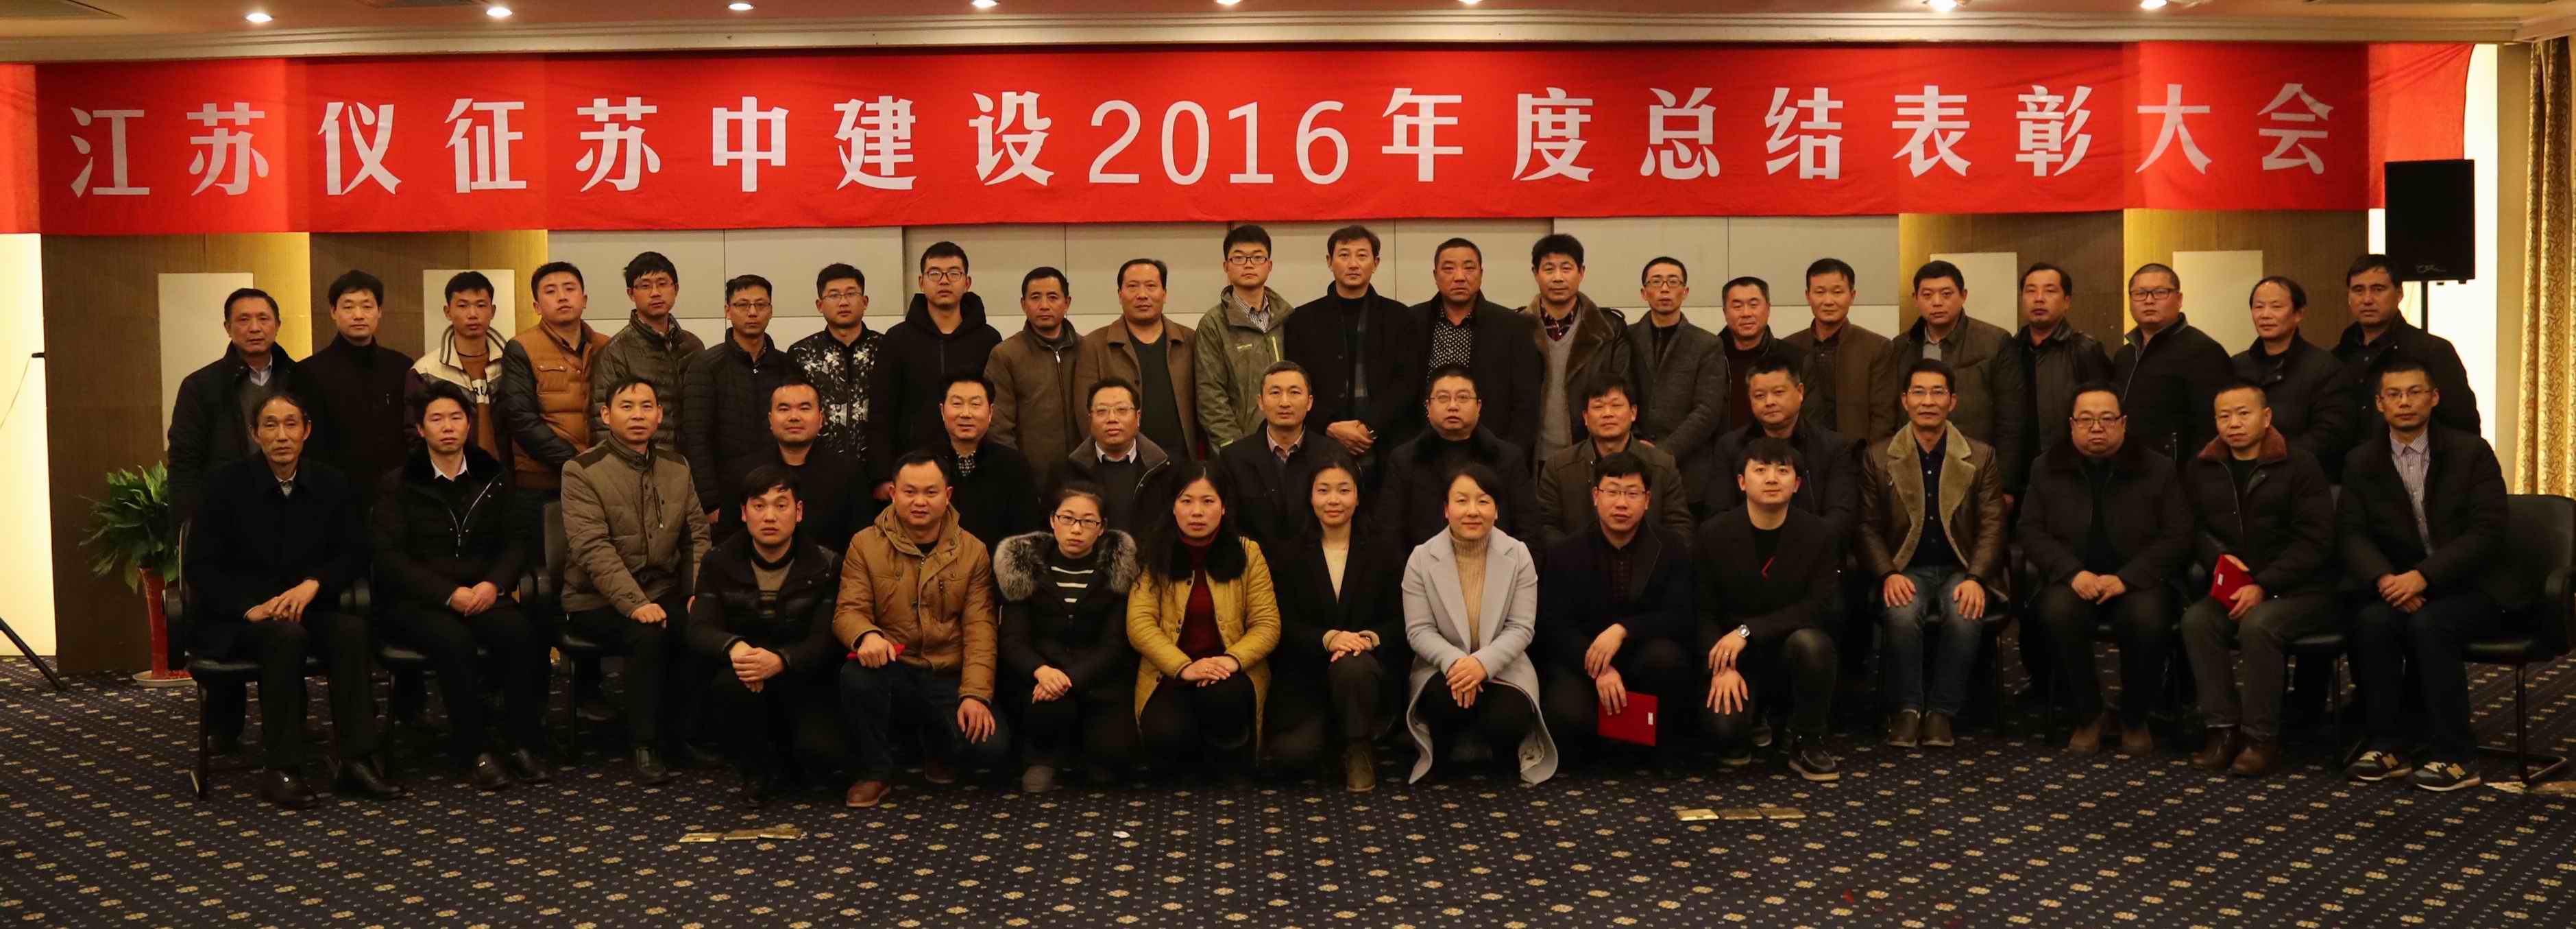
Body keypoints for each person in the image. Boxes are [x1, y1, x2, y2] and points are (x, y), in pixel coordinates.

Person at [184, 392, 400, 808]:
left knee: (351, 631)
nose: (281, 435)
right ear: (255, 434)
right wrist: (250, 608)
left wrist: (315, 584)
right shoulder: (224, 486)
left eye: (291, 424)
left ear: (306, 431)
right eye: (270, 425)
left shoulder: (330, 483)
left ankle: (357, 760)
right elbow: (200, 568)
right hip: (242, 618)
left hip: (307, 606)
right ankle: (282, 768)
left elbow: (355, 551)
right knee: (284, 638)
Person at [2341, 358, 2520, 792]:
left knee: (2431, 624)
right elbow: (2351, 532)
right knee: (2372, 621)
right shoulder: (2362, 460)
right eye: (2394, 395)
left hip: (2474, 587)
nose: (2405, 402)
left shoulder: (2470, 452)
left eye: (2415, 392)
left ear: (2434, 398)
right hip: (2401, 584)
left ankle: (2455, 755)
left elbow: (2487, 532)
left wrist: (2424, 576)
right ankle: (2388, 745)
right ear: (2380, 404)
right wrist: (2384, 579)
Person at [372, 381, 550, 790]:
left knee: (522, 634)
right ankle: (475, 750)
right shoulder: (398, 484)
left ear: (469, 424)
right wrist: (447, 594)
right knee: (454, 642)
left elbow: (516, 542)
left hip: (481, 592)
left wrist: (493, 584)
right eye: (436, 419)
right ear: (421, 430)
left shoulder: (494, 476)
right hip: (419, 600)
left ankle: (523, 742)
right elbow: (390, 558)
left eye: (456, 417)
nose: (448, 427)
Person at [2019, 383, 2191, 756]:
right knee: (2056, 613)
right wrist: (2071, 573)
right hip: (2074, 579)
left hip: (2139, 580)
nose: (2096, 427)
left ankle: (2134, 715)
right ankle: (2088, 714)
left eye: (2107, 419)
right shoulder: (2046, 467)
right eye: (2086, 419)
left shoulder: (2157, 468)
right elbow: (2030, 531)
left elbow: (2178, 535)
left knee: (2148, 619)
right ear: (2072, 425)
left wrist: (2128, 578)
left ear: (2123, 423)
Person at [2177, 381, 2337, 777]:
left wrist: (2264, 583)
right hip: (2235, 586)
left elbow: (2316, 540)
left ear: (2266, 418)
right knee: (2197, 621)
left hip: (2303, 589)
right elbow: (2191, 528)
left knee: (2259, 625)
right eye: (2224, 416)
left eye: (2243, 414)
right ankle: (2222, 730)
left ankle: (2260, 738)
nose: (2233, 424)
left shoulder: (2299, 465)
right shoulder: (2203, 467)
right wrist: (2216, 558)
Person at [560, 376, 714, 785]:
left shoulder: (677, 466)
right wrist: (635, 604)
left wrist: (695, 592)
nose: (638, 415)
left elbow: (696, 536)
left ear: (660, 415)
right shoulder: (581, 470)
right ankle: (644, 744)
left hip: (663, 590)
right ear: (606, 415)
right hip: (596, 600)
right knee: (647, 634)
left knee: (701, 626)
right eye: (626, 407)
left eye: (647, 406)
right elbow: (592, 548)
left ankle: (683, 735)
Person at [834, 452, 1009, 808]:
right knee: (856, 676)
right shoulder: (864, 544)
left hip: (946, 673)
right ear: (893, 493)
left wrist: (975, 695)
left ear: (948, 495)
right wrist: (867, 635)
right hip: (893, 667)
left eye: (930, 492)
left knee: (991, 749)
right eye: (909, 491)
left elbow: (981, 629)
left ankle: (936, 746)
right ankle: (875, 772)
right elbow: (848, 611)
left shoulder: (973, 550)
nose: (919, 502)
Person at [1857, 359, 2008, 749]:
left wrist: (1977, 578)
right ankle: (1907, 709)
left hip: (1962, 569)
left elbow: (1993, 525)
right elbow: (1867, 527)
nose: (1928, 401)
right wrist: (1887, 573)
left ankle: (1942, 712)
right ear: (1904, 400)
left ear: (1952, 401)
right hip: (1904, 568)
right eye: (1919, 393)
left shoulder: (1980, 456)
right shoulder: (1878, 457)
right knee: (1901, 612)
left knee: (1964, 612)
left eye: (1938, 392)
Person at [685, 465, 847, 806]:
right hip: (747, 677)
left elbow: (826, 639)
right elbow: (699, 628)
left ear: (798, 512)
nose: (770, 516)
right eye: (759, 506)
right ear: (744, 513)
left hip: (804, 676)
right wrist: (737, 649)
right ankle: (755, 770)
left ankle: (789, 754)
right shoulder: (718, 561)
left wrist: (781, 661)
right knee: (728, 684)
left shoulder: (826, 564)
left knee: (822, 758)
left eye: (781, 505)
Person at [501, 262, 616, 720]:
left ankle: (589, 687)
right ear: (536, 304)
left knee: (591, 586)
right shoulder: (521, 348)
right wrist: (577, 464)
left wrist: (599, 469)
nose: (562, 296)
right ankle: (534, 693)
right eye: (551, 290)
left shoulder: (608, 346)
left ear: (585, 298)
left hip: (599, 488)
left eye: (571, 288)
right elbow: (521, 419)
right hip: (542, 486)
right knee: (540, 590)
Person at [1399, 464, 1559, 784]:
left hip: (1504, 666)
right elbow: (1419, 631)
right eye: (1462, 501)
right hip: (1443, 667)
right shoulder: (1421, 557)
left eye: (1483, 501)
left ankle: (1499, 753)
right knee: (1442, 700)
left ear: (1496, 511)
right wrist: (1458, 664)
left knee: (1507, 717)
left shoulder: (1518, 554)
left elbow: (1521, 628)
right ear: (1446, 510)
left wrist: (1482, 665)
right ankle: (1444, 753)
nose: (1472, 511)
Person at [1123, 461, 1282, 782]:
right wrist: (1184, 667)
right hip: (1171, 673)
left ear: (1223, 507)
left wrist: (1230, 660)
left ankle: (1227, 753)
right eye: (1187, 501)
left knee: (1223, 699)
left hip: (1229, 673)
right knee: (1166, 737)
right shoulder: (1154, 552)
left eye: (1208, 501)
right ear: (1173, 506)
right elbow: (1140, 625)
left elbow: (1267, 624)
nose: (1197, 512)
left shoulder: (1248, 553)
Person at [1696, 438, 1843, 781]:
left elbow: (1819, 606)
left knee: (1814, 644)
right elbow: (1701, 608)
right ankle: (1753, 720)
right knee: (1726, 737)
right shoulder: (1714, 533)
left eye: (1782, 470)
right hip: (1735, 658)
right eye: (1760, 470)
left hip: (1789, 651)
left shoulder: (1818, 534)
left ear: (1798, 484)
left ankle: (1806, 740)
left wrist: (1748, 631)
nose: (1772, 478)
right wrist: (1721, 666)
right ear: (1741, 482)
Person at [1538, 452, 1693, 773]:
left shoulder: (1671, 546)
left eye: (1632, 493)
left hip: (1643, 655)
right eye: (1612, 492)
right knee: (1568, 719)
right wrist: (1599, 669)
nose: (1622, 503)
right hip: (1584, 660)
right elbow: (1554, 625)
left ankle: (1658, 748)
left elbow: (1681, 615)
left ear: (1647, 500)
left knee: (1667, 659)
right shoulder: (1566, 552)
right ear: (1596, 496)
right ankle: (1613, 744)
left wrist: (1624, 630)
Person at [1264, 458, 1405, 792]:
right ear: (1310, 497)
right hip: (1308, 674)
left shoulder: (1385, 550)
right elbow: (1282, 622)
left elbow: (1403, 619)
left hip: (1365, 671)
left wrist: (1367, 639)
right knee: (1292, 757)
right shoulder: (1289, 553)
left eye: (1344, 490)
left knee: (1353, 667)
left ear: (1358, 497)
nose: (1334, 500)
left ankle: (1358, 747)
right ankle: (1331, 734)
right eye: (1323, 491)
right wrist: (1328, 638)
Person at [995, 483, 1142, 792]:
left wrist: (1071, 677)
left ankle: (1087, 753)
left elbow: (1115, 644)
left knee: (1113, 757)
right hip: (1043, 680)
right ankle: (1044, 758)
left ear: (1102, 528)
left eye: (1088, 521)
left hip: (1098, 678)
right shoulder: (1025, 567)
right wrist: (1042, 671)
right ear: (1053, 521)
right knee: (1048, 707)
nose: (1076, 529)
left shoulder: (1117, 571)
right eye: (1067, 519)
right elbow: (1012, 639)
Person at [1868, 261, 2028, 498]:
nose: (1937, 302)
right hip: (1914, 472)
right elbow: (1890, 413)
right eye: (1927, 295)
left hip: (1976, 470)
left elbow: (2012, 418)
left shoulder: (1995, 343)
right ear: (1915, 299)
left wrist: (2005, 486)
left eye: (1946, 294)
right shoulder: (1901, 347)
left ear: (1963, 296)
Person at [868, 241, 1003, 488]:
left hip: (977, 466)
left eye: (953, 273)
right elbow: (881, 411)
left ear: (967, 282)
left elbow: (997, 407)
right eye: (935, 274)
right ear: (921, 282)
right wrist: (882, 475)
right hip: (913, 468)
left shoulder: (988, 339)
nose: (944, 281)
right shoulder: (897, 339)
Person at [169, 287, 311, 522]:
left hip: (294, 506)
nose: (255, 328)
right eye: (244, 320)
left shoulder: (302, 379)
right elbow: (184, 461)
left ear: (277, 325)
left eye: (263, 319)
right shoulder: (200, 385)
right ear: (227, 328)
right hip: (227, 510)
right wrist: (186, 524)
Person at [1285, 225, 1418, 461]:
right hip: (1320, 442)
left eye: (1362, 256)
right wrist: (1329, 425)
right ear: (1330, 261)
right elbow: (1296, 383)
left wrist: (1369, 426)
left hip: (1387, 444)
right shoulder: (1302, 320)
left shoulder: (1399, 317)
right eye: (1344, 255)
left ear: (1375, 263)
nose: (1353, 264)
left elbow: (1407, 383)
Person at [1409, 238, 1544, 457]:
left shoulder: (1513, 326)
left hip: (1491, 453)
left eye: (1469, 268)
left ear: (1481, 273)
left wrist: (1507, 456)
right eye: (1449, 269)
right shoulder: (1412, 321)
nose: (1459, 277)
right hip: (1424, 453)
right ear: (1435, 275)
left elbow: (1526, 403)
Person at [1703, 356, 1859, 539]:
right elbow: (1718, 516)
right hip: (1747, 547)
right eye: (1759, 396)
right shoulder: (1731, 446)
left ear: (1800, 392)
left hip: (1815, 547)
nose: (1769, 402)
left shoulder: (1832, 446)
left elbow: (1841, 517)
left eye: (1778, 392)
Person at [1381, 365, 1538, 545]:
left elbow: (1529, 532)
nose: (1453, 406)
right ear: (1428, 407)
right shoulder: (1404, 460)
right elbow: (1388, 534)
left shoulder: (1508, 458)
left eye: (1463, 398)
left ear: (1479, 406)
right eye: (1443, 398)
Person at [683, 274, 793, 528]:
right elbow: (695, 437)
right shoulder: (706, 365)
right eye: (743, 305)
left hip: (779, 492)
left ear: (771, 310)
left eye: (761, 305)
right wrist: (710, 503)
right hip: (726, 497)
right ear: (728, 310)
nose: (752, 312)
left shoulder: (787, 364)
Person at [1534, 376, 1691, 547]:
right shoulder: (1559, 467)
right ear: (1586, 417)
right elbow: (1546, 526)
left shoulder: (1662, 465)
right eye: (1598, 406)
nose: (1607, 413)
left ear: (1633, 413)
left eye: (1616, 406)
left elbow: (1679, 528)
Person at [2334, 254, 2480, 436]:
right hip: (2350, 455)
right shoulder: (2339, 356)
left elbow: (2463, 427)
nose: (2367, 299)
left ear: (2399, 294)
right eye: (2358, 290)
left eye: (2378, 289)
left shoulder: (2432, 351)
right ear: (2349, 296)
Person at [302, 269, 413, 505]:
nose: (358, 315)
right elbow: (310, 444)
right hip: (333, 495)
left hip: (395, 494)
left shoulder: (401, 367)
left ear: (380, 311)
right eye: (348, 307)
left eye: (367, 306)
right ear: (333, 312)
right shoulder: (309, 372)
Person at [719, 374, 864, 556]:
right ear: (771, 420)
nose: (794, 417)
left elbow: (860, 545)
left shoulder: (848, 473)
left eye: (804, 408)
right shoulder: (742, 472)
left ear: (821, 419)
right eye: (784, 409)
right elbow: (726, 544)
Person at [1625, 258, 1727, 514]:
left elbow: (1707, 410)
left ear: (1685, 291)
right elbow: (1619, 396)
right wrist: (1635, 443)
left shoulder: (1707, 344)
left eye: (1673, 282)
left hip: (1688, 469)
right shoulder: (1626, 337)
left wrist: (1665, 452)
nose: (1665, 289)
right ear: (1644, 293)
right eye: (1656, 282)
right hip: (1632, 461)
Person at [2233, 276, 2356, 481]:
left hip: (2301, 478)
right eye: (2259, 307)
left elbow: (2330, 434)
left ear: (2299, 313)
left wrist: (2274, 459)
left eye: (2276, 307)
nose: (2265, 315)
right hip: (2245, 475)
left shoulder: (2325, 367)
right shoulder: (2237, 366)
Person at [1525, 234, 1635, 463]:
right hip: (1530, 458)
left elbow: (1623, 393)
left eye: (1566, 268)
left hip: (1593, 455)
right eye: (1549, 269)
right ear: (1535, 273)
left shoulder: (1609, 330)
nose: (1558, 278)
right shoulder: (1517, 329)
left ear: (1581, 272)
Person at [1077, 258, 1200, 460]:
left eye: (1151, 286)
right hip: (1121, 461)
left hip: (1183, 459)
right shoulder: (1094, 345)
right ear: (1120, 294)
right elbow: (1085, 412)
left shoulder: (1190, 340)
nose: (1142, 295)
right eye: (1133, 286)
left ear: (1164, 293)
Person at [2112, 263, 2235, 466]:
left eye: (2160, 292)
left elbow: (2213, 427)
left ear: (2179, 299)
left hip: (2179, 472)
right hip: (2127, 468)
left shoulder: (2204, 351)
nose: (2149, 300)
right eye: (2140, 294)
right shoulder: (2124, 356)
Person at [1212, 361, 1335, 550]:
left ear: (1309, 402)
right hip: (1254, 563)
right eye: (1275, 393)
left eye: (1294, 392)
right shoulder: (1233, 458)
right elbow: (1229, 527)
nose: (1284, 402)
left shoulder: (1331, 455)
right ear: (1261, 402)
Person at [1195, 225, 1298, 450]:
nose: (1249, 264)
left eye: (1258, 257)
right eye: (1239, 258)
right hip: (1240, 447)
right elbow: (1211, 397)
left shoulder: (1289, 317)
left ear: (1269, 265)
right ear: (1226, 266)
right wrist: (1235, 451)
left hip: (1291, 443)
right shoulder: (1213, 324)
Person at [591, 251, 705, 448]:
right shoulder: (615, 352)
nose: (655, 293)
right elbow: (603, 425)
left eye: (662, 284)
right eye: (645, 286)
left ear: (676, 289)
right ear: (631, 293)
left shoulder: (692, 346)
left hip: (689, 460)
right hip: (641, 459)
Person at [2013, 263, 2113, 478]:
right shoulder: (2010, 350)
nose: (2039, 298)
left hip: (2073, 469)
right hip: (2019, 471)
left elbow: (2104, 415)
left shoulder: (2084, 349)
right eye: (2031, 291)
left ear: (2067, 301)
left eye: (2050, 291)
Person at [409, 272, 513, 465]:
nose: (473, 314)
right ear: (448, 312)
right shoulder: (426, 371)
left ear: (493, 311)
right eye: (463, 306)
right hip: (452, 472)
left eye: (481, 305)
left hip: (506, 471)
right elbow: (415, 433)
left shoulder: (512, 364)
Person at [987, 267, 1085, 470]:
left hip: (1085, 472)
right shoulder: (1006, 355)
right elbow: (999, 427)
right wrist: (1016, 471)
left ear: (1067, 303)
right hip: (1030, 473)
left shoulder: (1088, 349)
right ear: (1023, 304)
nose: (1044, 305)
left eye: (1053, 297)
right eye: (1035, 298)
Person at [1784, 258, 1891, 443]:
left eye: (1837, 292)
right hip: (1800, 452)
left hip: (1858, 454)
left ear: (1852, 295)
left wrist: (1870, 457)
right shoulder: (1789, 347)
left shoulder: (1877, 348)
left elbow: (1884, 417)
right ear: (1808, 296)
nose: (1828, 301)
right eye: (1820, 292)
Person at [925, 374, 1038, 548]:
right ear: (942, 411)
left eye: (975, 404)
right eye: (957, 404)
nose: (966, 414)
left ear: (990, 412)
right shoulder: (924, 464)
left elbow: (1025, 534)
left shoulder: (1014, 466)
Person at [787, 263, 879, 463]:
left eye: (851, 294)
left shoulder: (886, 348)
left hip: (877, 466)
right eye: (834, 295)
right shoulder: (801, 353)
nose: (843, 302)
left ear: (865, 302)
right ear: (820, 305)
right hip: (818, 466)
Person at [1054, 379, 1174, 534]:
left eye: (1122, 410)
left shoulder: (1165, 468)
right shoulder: (1065, 472)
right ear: (1090, 419)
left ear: (1138, 417)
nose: (1112, 419)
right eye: (1102, 411)